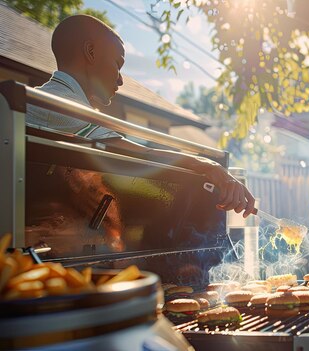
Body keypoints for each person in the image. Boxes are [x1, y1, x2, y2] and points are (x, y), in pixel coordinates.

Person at [27, 15, 255, 250]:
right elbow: (143, 156)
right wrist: (209, 166)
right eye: (118, 63)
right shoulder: (58, 105)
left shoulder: (44, 102)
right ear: (91, 51)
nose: (120, 80)